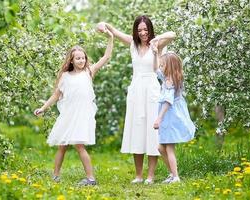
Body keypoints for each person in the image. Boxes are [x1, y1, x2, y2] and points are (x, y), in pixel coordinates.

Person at [97, 15, 176, 184]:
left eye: (145, 30)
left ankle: (150, 176)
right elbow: (114, 31)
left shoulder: (156, 44)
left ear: (150, 30)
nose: (142, 33)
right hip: (136, 91)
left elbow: (173, 34)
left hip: (152, 91)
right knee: (137, 131)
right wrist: (103, 24)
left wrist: (156, 39)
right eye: (139, 30)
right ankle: (139, 175)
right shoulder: (132, 44)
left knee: (151, 133)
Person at [33, 29, 114, 186]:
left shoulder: (89, 72)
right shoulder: (65, 77)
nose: (81, 60)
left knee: (78, 145)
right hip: (68, 115)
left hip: (82, 116)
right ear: (71, 60)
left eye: (83, 58)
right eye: (77, 58)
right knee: (62, 146)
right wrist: (43, 108)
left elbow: (107, 56)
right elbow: (56, 95)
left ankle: (91, 178)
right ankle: (55, 176)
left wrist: (110, 38)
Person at [152, 43, 196, 184]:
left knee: (169, 148)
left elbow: (168, 101)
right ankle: (172, 173)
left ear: (169, 66)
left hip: (170, 116)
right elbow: (155, 69)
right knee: (160, 147)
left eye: (163, 65)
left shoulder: (170, 81)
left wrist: (159, 118)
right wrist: (155, 54)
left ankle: (175, 176)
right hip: (168, 116)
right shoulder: (167, 78)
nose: (160, 67)